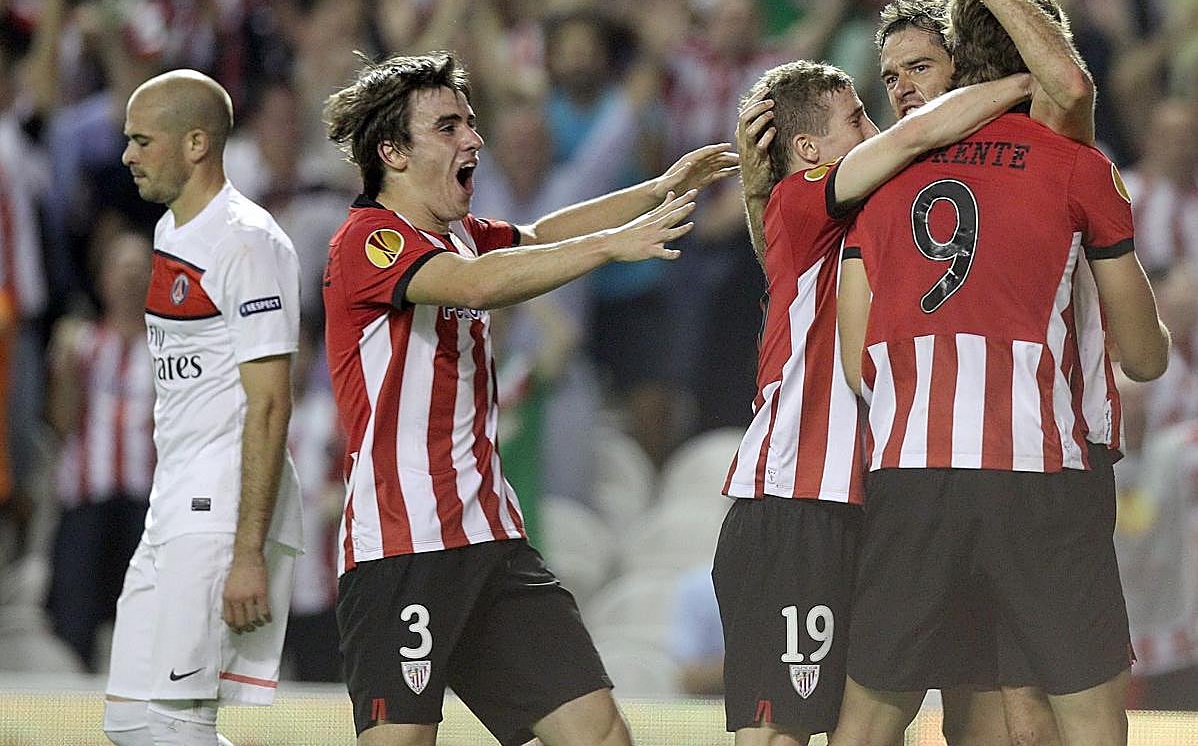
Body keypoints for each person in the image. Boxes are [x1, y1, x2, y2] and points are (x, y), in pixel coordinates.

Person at [320, 50, 737, 746]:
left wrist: (658, 188)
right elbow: (478, 285)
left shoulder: (458, 235)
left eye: (471, 124)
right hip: (405, 546)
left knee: (601, 735)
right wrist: (615, 246)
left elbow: (542, 234)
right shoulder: (368, 240)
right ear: (391, 151)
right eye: (448, 126)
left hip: (493, 543)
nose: (472, 140)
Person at [831, 0, 1171, 746]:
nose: (906, 87)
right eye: (893, 75)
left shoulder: (875, 185)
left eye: (921, 65)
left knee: (894, 715)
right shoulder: (1075, 166)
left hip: (911, 473)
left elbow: (857, 364)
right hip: (1044, 465)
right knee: (1061, 715)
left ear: (959, 66)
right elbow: (1146, 358)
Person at [718, 58, 1030, 746]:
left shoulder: (865, 219)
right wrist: (1025, 79)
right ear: (808, 152)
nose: (877, 124)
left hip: (873, 506)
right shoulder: (804, 198)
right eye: (857, 116)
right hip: (794, 507)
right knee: (779, 734)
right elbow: (910, 140)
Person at [102, 69, 304, 746]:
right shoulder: (169, 232)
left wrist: (247, 551)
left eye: (141, 139)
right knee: (131, 724)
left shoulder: (246, 240)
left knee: (178, 723)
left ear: (195, 143)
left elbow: (272, 403)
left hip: (218, 512)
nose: (127, 154)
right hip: (173, 505)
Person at [45, 230, 155, 672]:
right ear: (103, 279)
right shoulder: (83, 342)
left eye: (138, 271)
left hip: (148, 505)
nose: (128, 282)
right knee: (75, 619)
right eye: (120, 271)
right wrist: (65, 366)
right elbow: (61, 422)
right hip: (88, 501)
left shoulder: (169, 347)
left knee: (147, 623)